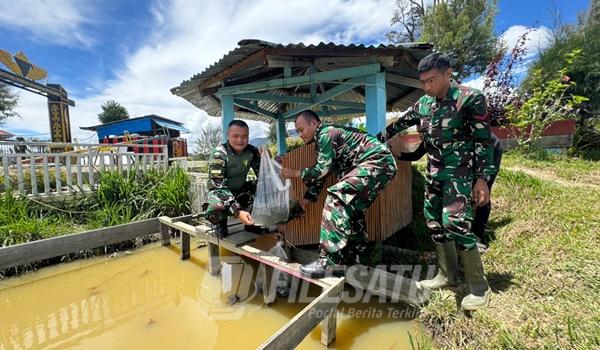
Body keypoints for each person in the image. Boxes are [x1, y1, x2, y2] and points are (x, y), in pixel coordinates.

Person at [378, 53, 496, 310]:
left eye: (431, 80)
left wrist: (482, 180)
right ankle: (447, 276)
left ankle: (478, 286)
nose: (427, 87)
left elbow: (483, 141)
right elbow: (401, 123)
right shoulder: (424, 103)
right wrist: (376, 139)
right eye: (423, 82)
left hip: (460, 173)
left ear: (447, 73)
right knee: (433, 221)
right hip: (434, 172)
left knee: (455, 223)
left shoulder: (470, 98)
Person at [281, 110, 397, 278]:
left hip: (376, 162)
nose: (300, 135)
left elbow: (321, 170)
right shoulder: (323, 141)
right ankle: (357, 258)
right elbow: (322, 177)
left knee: (336, 198)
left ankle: (327, 261)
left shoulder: (326, 133)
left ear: (314, 123)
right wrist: (304, 203)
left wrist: (295, 173)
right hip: (380, 166)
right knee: (351, 210)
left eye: (301, 129)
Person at [396, 133, 503, 251]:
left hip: (488, 150)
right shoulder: (432, 132)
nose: (420, 134)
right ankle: (455, 236)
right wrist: (397, 154)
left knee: (479, 194)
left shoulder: (455, 125)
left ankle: (478, 236)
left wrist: (481, 178)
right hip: (462, 157)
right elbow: (417, 154)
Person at [202, 119, 266, 238]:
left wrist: (268, 161)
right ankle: (221, 224)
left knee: (261, 186)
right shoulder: (219, 154)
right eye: (235, 136)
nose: (240, 140)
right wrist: (238, 211)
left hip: (239, 190)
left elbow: (263, 175)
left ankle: (252, 223)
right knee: (216, 205)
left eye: (244, 136)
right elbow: (218, 186)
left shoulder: (252, 151)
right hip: (219, 192)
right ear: (228, 135)